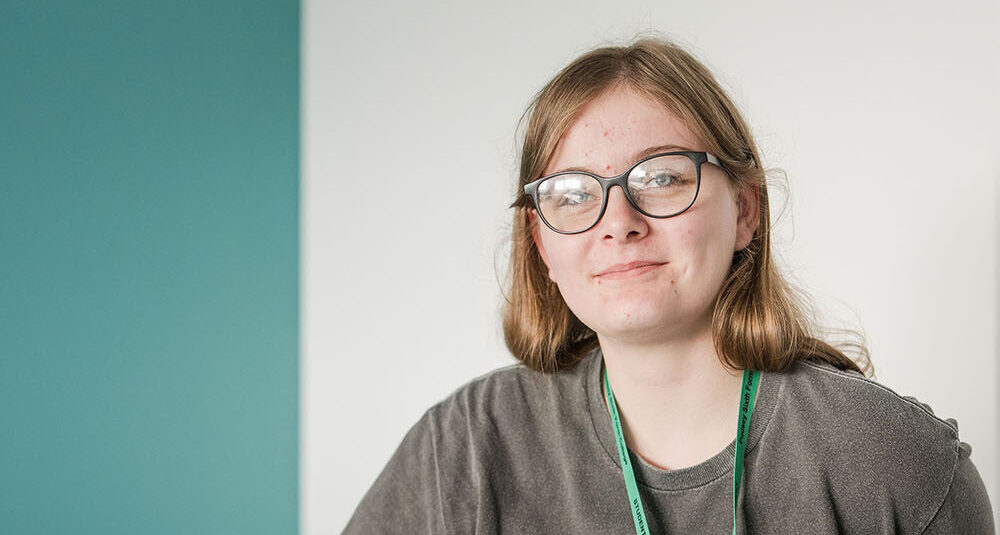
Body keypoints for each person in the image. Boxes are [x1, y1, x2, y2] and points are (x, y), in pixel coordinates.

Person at [342, 35, 995, 534]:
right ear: (541, 243)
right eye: (572, 194)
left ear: (745, 210)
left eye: (662, 178)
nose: (618, 223)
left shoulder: (892, 459)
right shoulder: (469, 449)